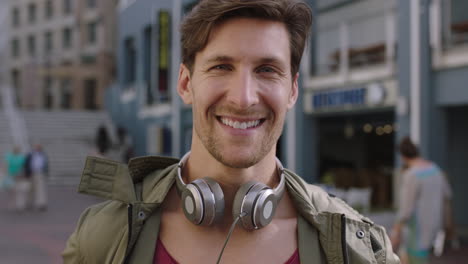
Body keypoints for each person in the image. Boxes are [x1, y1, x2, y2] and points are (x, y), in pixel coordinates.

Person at [63, 1, 399, 263]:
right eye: (222, 67)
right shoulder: (104, 236)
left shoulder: (359, 250)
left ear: (293, 91)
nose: (243, 98)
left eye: (267, 70)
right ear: (185, 83)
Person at [391, 136, 452, 264]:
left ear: (403, 156)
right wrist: (449, 224)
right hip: (435, 226)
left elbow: (406, 210)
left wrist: (395, 232)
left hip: (418, 229)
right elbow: (447, 197)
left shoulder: (411, 174)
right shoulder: (436, 169)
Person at [24, 143, 49, 211]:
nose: (38, 148)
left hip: (40, 173)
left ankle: (41, 203)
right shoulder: (30, 155)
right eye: (36, 147)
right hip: (31, 173)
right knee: (30, 189)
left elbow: (46, 164)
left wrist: (46, 172)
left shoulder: (43, 155)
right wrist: (27, 174)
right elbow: (26, 164)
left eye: (39, 147)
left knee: (40, 189)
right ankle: (29, 203)